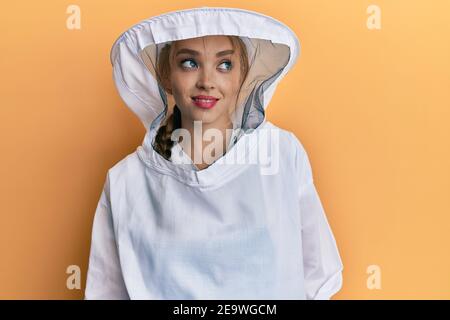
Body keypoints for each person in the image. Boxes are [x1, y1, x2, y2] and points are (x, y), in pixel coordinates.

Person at [85, 6, 344, 300]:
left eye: (224, 65)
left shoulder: (283, 154)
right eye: (188, 63)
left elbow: (319, 273)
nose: (207, 81)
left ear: (241, 76)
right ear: (166, 76)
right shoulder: (125, 180)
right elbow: (106, 292)